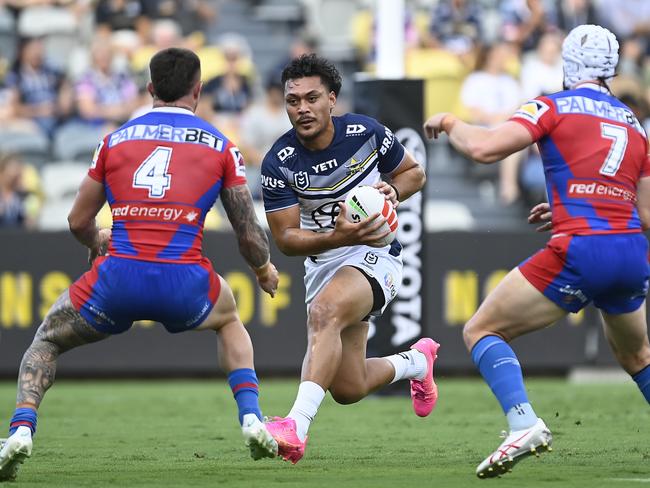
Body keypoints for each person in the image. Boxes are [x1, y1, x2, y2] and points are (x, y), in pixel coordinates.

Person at [0, 47, 281, 482]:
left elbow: (77, 220)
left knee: (45, 342)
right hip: (185, 283)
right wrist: (264, 270)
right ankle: (251, 418)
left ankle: (20, 429)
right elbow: (247, 231)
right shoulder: (221, 145)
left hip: (117, 280)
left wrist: (98, 240)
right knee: (229, 321)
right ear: (198, 90)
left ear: (150, 89)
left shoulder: (113, 141)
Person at [423, 24, 650, 478]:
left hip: (582, 248)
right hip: (630, 251)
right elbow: (643, 212)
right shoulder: (634, 124)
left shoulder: (552, 104)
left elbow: (485, 148)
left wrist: (450, 122)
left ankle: (523, 423)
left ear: (568, 65)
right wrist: (571, 204)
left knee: (481, 329)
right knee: (638, 356)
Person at [260, 53, 439, 464]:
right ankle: (415, 362)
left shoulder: (366, 133)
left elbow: (414, 174)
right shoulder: (279, 162)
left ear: (332, 99)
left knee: (324, 312)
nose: (302, 109)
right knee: (348, 387)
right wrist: (337, 235)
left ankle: (295, 427)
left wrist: (396, 191)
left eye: (311, 98)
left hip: (378, 253)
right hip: (325, 261)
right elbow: (286, 239)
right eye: (292, 101)